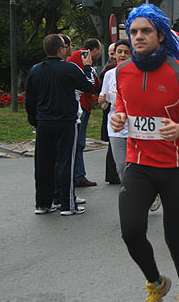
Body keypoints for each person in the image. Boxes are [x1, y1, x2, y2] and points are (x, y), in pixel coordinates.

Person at [110, 4, 179, 302]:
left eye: (145, 31)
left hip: (176, 167)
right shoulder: (122, 71)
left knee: (175, 238)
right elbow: (124, 107)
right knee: (131, 230)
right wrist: (119, 117)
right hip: (139, 164)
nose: (138, 37)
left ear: (160, 34)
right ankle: (155, 282)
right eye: (133, 32)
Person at [25, 34, 95, 215]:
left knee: (43, 163)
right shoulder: (69, 68)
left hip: (43, 121)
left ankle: (43, 203)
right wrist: (88, 68)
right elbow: (88, 86)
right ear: (61, 49)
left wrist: (34, 120)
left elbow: (30, 99)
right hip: (65, 120)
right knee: (65, 161)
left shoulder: (35, 70)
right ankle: (67, 204)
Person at [67, 38, 102, 187]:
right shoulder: (82, 60)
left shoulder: (76, 58)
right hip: (81, 106)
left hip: (79, 105)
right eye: (100, 50)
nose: (100, 53)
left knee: (76, 143)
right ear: (94, 50)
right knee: (78, 142)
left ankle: (77, 174)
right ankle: (78, 176)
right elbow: (91, 85)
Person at [98, 39, 132, 181]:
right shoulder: (109, 74)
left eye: (126, 52)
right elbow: (104, 104)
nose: (122, 55)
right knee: (120, 165)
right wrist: (102, 101)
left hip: (134, 126)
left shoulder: (137, 73)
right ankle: (128, 194)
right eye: (119, 52)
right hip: (115, 127)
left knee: (134, 166)